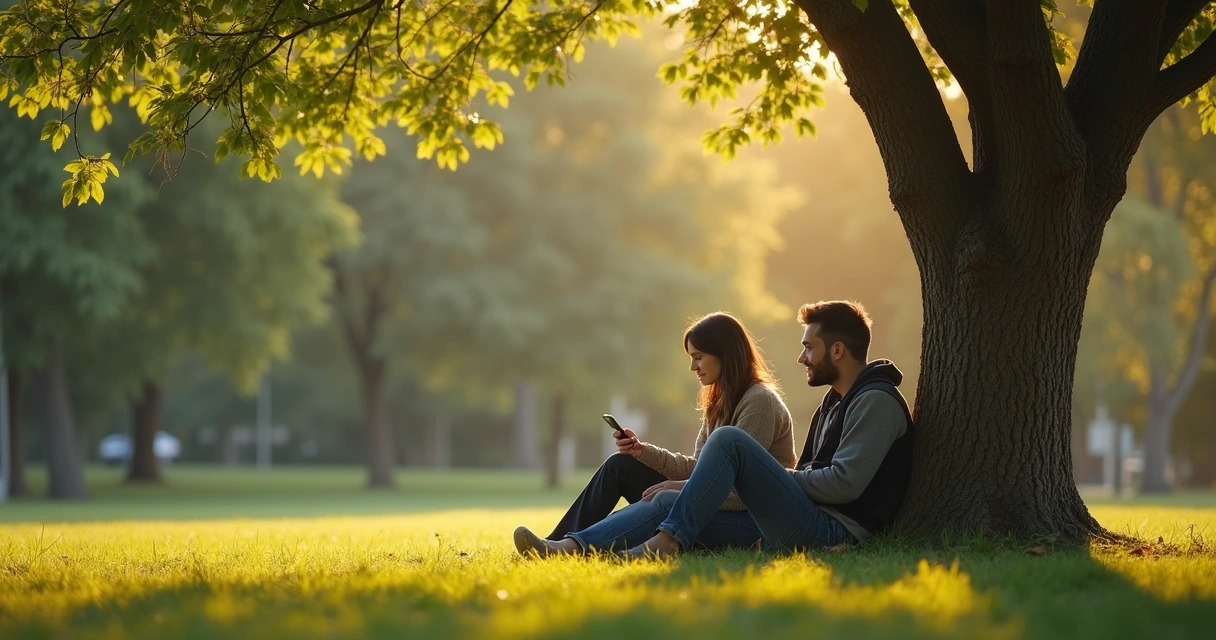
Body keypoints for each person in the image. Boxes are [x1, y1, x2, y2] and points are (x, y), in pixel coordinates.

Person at [622, 300, 914, 558]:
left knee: (729, 440)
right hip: (808, 517)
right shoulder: (835, 402)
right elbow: (813, 471)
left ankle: (668, 540)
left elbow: (844, 484)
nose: (802, 358)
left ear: (837, 350)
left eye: (809, 348)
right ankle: (578, 545)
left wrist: (776, 478)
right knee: (665, 499)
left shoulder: (876, 401)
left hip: (832, 531)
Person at [513, 311, 795, 556]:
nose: (692, 367)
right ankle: (554, 542)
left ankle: (573, 549)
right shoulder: (720, 403)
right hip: (707, 509)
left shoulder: (759, 403)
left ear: (725, 355)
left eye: (699, 357)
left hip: (749, 522)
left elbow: (742, 491)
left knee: (666, 500)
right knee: (621, 465)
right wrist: (643, 452)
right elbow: (700, 469)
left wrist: (679, 488)